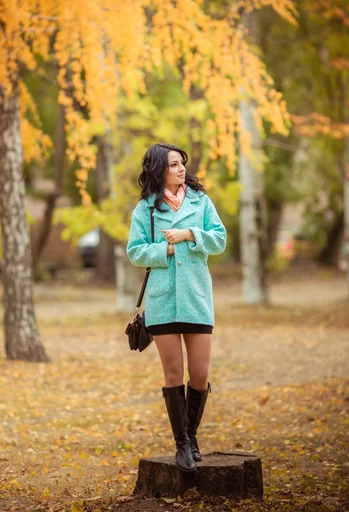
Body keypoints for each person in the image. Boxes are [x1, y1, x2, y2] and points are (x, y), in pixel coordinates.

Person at [126, 143, 227, 472]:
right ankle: (182, 444)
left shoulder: (201, 201)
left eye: (182, 163)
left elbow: (220, 239)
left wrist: (189, 234)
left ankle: (192, 435)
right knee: (173, 373)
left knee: (199, 374)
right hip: (163, 300)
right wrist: (163, 252)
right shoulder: (146, 210)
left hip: (197, 298)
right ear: (159, 170)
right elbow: (135, 251)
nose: (181, 169)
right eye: (173, 165)